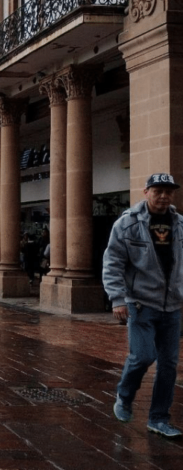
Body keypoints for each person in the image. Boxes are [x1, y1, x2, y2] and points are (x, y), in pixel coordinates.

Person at [103, 173, 183, 439]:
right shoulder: (127, 224)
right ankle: (124, 396)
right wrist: (117, 299)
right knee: (144, 355)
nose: (163, 196)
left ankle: (158, 418)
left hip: (172, 305)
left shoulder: (180, 224)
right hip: (140, 303)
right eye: (158, 190)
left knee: (169, 364)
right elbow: (113, 262)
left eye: (168, 192)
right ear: (146, 191)